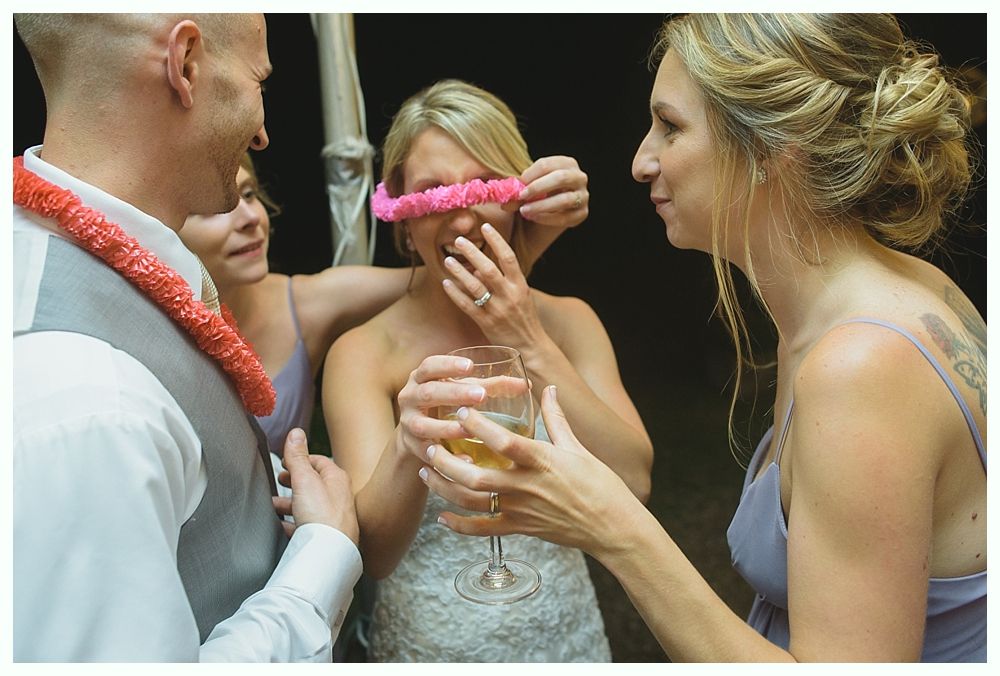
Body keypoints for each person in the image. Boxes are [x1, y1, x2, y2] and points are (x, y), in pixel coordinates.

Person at [419, 14, 986, 663]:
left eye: (671, 126)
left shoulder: (862, 367)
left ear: (774, 147)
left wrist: (615, 530)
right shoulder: (902, 292)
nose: (640, 161)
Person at [13, 14, 361, 661]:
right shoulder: (87, 399)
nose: (262, 132)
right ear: (187, 62)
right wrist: (324, 552)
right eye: (259, 79)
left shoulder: (118, 265)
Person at [321, 79, 653, 662]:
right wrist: (409, 442)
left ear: (518, 194)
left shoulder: (570, 323)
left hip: (565, 635)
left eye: (482, 183)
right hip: (432, 642)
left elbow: (635, 484)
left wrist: (525, 339)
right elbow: (373, 555)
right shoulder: (362, 354)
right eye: (432, 191)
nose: (463, 215)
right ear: (400, 212)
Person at [179, 151, 590, 462]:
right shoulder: (141, 320)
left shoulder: (307, 304)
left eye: (249, 193)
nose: (249, 217)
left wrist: (533, 234)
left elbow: (443, 276)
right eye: (216, 209)